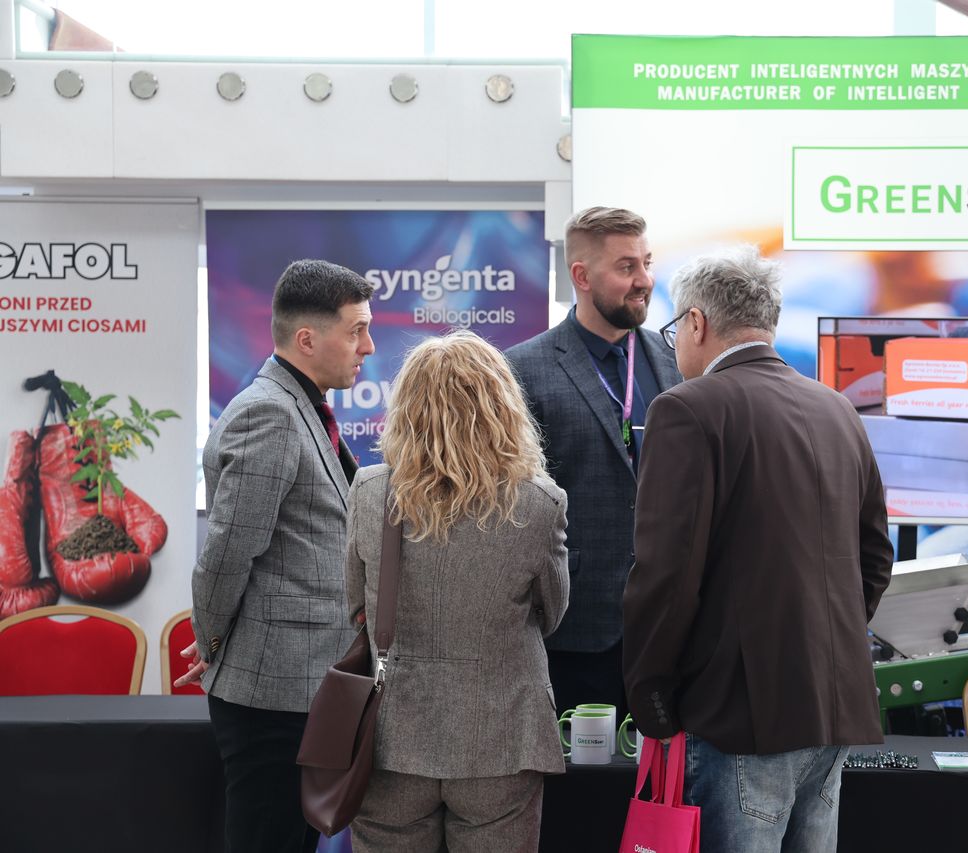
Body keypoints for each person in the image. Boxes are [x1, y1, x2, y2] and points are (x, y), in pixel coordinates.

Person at [623, 246, 896, 853]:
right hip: (832, 706)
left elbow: (666, 574)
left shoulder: (687, 409)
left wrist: (651, 698)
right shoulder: (838, 408)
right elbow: (876, 558)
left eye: (675, 329)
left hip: (737, 716)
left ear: (696, 323)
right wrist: (823, 643)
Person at [177, 259, 375, 852]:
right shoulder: (271, 413)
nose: (368, 346)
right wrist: (211, 645)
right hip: (272, 691)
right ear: (307, 339)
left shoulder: (301, 406)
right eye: (357, 330)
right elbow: (227, 555)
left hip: (303, 686)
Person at [344, 331, 569, 853]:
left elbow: (355, 604)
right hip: (502, 736)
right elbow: (552, 613)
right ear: (502, 407)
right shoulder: (540, 502)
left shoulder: (371, 490)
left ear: (407, 409)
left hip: (392, 735)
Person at [505, 206, 681, 715]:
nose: (644, 280)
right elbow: (515, 500)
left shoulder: (674, 360)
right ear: (581, 276)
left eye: (646, 262)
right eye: (627, 267)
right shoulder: (522, 369)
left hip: (671, 624)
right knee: (580, 768)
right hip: (575, 625)